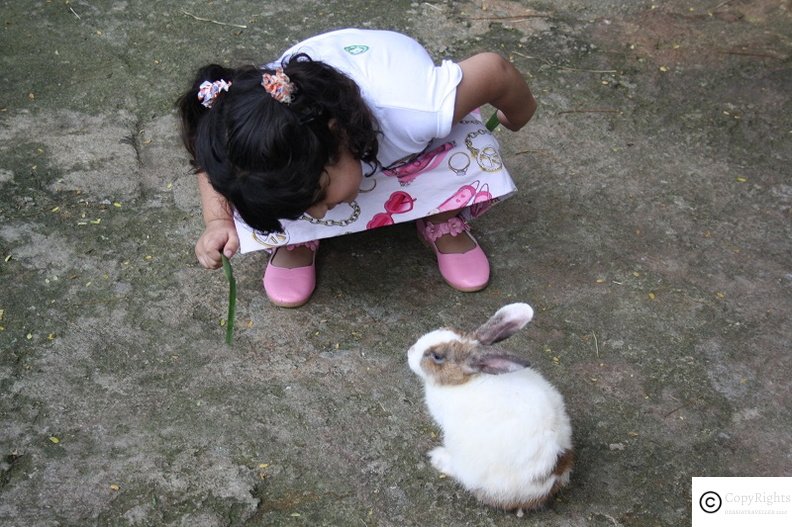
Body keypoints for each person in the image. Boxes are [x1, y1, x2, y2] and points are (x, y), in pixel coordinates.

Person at [178, 28, 536, 308]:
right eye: (305, 213)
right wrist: (219, 221)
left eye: (317, 196)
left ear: (336, 137)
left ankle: (444, 218)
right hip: (307, 117)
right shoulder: (266, 132)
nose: (316, 213)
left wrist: (517, 114)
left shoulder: (417, 113)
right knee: (269, 187)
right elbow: (213, 156)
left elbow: (494, 69)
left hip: (392, 95)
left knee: (458, 150)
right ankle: (296, 240)